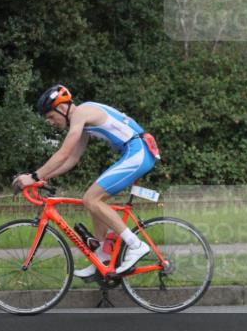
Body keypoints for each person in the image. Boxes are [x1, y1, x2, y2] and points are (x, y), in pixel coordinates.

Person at [12, 85, 160, 279]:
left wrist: (34, 176)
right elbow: (71, 159)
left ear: (62, 108)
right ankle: (103, 259)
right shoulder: (82, 122)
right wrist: (44, 177)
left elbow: (63, 152)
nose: (50, 122)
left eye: (50, 116)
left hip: (138, 151)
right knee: (93, 202)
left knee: (91, 199)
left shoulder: (81, 113)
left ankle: (136, 245)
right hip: (134, 151)